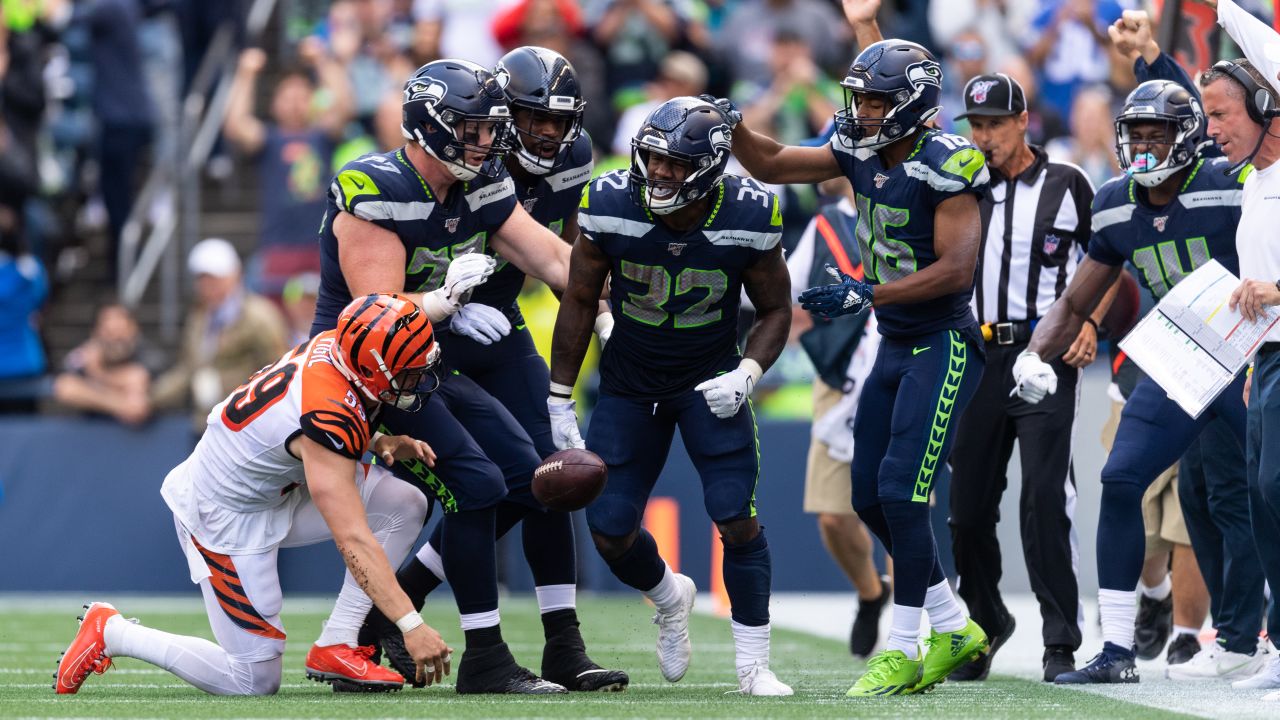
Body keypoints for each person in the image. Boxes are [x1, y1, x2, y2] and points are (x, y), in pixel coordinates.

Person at [309, 59, 602, 695]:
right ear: (430, 126)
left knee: (531, 478)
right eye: (471, 130)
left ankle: (405, 633)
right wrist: (444, 304)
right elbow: (375, 324)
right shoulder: (375, 187)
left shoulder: (481, 183)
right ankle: (484, 659)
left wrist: (613, 307)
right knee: (477, 482)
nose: (487, 142)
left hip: (423, 366)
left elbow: (552, 255)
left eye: (488, 129)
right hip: (361, 375)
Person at [727, 32, 991, 694]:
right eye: (859, 100)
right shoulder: (856, 147)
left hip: (944, 342)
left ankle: (904, 646)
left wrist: (863, 292)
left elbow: (958, 272)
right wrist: (727, 125)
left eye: (874, 102)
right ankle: (954, 622)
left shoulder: (948, 161)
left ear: (908, 104)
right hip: (896, 341)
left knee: (902, 489)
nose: (861, 112)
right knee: (869, 493)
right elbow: (776, 163)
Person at [54, 293, 452, 696]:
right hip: (224, 514)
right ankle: (113, 632)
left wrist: (375, 438)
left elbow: (302, 419)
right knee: (254, 681)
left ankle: (338, 643)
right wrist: (410, 625)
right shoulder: (327, 412)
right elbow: (352, 537)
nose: (416, 380)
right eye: (407, 372)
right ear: (370, 367)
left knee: (404, 503)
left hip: (274, 485)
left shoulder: (339, 345)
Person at [1013, 75, 1268, 684]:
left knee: (1263, 490)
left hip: (1246, 354)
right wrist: (1034, 352)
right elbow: (1079, 298)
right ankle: (1120, 651)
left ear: (1187, 138)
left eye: (1158, 135)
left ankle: (1257, 637)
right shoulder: (1115, 201)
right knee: (1122, 477)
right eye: (1137, 136)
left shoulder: (1233, 182)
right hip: (1180, 356)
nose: (1145, 149)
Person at [548, 96, 794, 696]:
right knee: (608, 526)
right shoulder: (609, 202)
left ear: (710, 168)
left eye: (675, 164)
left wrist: (748, 373)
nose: (659, 172)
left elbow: (775, 308)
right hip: (631, 382)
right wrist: (559, 396)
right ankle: (668, 595)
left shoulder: (750, 211)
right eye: (653, 158)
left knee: (735, 514)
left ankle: (753, 664)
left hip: (710, 379)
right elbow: (580, 298)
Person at [939, 70, 1101, 683]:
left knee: (1043, 497)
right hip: (977, 358)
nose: (983, 137)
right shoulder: (961, 186)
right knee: (967, 508)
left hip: (1046, 351)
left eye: (993, 125)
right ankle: (984, 622)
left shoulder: (1070, 184)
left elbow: (1107, 262)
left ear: (1021, 122)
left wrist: (1090, 321)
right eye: (975, 125)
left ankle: (1060, 639)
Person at [1195, 0, 1280, 696]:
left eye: (1223, 114)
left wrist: (1223, 7)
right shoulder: (1254, 186)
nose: (1212, 129)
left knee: (1274, 487)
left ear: (1265, 103)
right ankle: (1278, 643)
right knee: (1261, 496)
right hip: (1271, 362)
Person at [788, 176, 889, 657]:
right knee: (832, 516)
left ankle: (912, 621)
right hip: (842, 378)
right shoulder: (827, 224)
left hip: (904, 369)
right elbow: (786, 301)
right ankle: (873, 593)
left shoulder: (915, 214)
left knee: (904, 508)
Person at [150, 238, 289, 435]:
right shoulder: (199, 318)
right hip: (206, 426)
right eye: (202, 278)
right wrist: (151, 398)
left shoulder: (260, 317)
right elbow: (188, 369)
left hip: (247, 429)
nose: (207, 285)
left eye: (215, 277)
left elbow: (279, 374)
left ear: (235, 275)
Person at [52, 303, 160, 425]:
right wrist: (121, 405)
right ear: (95, 333)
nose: (116, 340)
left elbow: (139, 405)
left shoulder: (149, 356)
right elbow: (65, 388)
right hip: (90, 430)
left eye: (121, 332)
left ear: (134, 328)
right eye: (109, 332)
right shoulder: (83, 355)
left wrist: (98, 373)